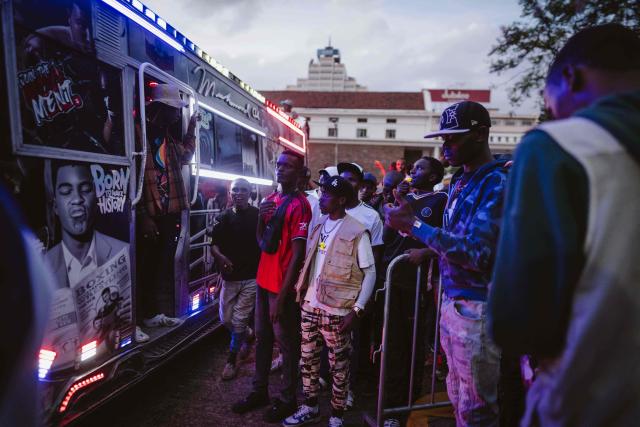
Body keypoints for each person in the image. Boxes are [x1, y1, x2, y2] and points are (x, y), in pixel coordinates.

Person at [489, 24, 640, 426]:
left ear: (570, 78)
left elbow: (520, 319)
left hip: (591, 397)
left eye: (550, 102)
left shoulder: (559, 146)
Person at [385, 100, 508, 426]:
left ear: (480, 134)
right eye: (443, 138)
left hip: (479, 308)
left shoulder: (497, 183)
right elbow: (450, 239)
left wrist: (415, 226)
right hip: (452, 301)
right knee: (457, 394)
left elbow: (478, 253)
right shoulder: (459, 182)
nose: (445, 146)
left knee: (477, 408)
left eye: (453, 138)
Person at [284, 176, 376, 427]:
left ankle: (337, 415)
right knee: (308, 361)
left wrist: (356, 310)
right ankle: (311, 407)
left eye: (326, 195)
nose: (321, 198)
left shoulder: (357, 230)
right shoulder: (320, 224)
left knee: (339, 366)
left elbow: (370, 272)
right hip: (310, 305)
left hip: (338, 310)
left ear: (341, 200)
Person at [232, 150, 311, 423]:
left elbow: (298, 254)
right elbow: (264, 245)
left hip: (282, 288)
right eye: (278, 165)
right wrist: (260, 219)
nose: (280, 170)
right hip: (264, 281)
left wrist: (283, 296)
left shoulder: (300, 205)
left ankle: (288, 399)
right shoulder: (270, 200)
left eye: (287, 166)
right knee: (264, 340)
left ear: (299, 174)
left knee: (287, 344)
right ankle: (260, 391)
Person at [379, 157, 447, 427]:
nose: (413, 172)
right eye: (413, 168)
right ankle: (391, 406)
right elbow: (387, 238)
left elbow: (445, 239)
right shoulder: (403, 199)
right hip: (392, 281)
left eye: (420, 169)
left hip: (419, 284)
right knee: (392, 348)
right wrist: (395, 207)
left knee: (412, 350)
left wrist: (427, 252)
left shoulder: (440, 200)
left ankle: (405, 407)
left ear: (433, 177)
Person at [136, 83, 198, 329]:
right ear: (162, 109)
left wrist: (191, 129)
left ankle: (150, 315)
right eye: (174, 110)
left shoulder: (167, 136)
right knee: (145, 266)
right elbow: (134, 176)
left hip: (165, 212)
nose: (176, 115)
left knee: (157, 266)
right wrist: (142, 214)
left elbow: (186, 156)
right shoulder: (140, 133)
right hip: (150, 213)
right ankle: (139, 319)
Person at [45, 162, 128, 290]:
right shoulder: (42, 267)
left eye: (85, 190)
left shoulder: (124, 252)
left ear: (96, 201)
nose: (77, 199)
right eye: (66, 192)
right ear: (55, 206)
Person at [210, 178, 260, 381]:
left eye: (243, 190)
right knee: (226, 319)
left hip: (251, 277)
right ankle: (248, 335)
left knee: (238, 320)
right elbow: (214, 245)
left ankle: (231, 360)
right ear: (230, 193)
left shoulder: (258, 216)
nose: (238, 193)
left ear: (250, 193)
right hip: (230, 278)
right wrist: (222, 259)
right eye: (235, 190)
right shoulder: (223, 218)